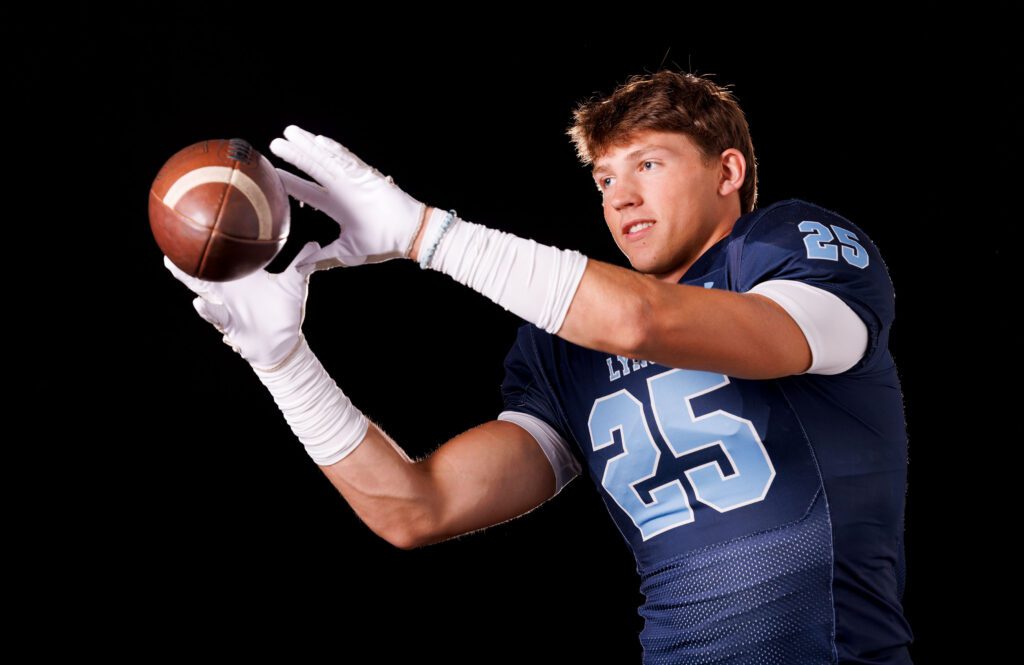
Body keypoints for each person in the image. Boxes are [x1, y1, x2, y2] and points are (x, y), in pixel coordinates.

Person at [163, 70, 913, 663]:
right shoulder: (563, 344)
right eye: (605, 178)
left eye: (648, 163)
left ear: (728, 171)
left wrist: (429, 235)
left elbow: (641, 322)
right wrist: (286, 363)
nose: (622, 196)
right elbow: (415, 509)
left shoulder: (789, 246)